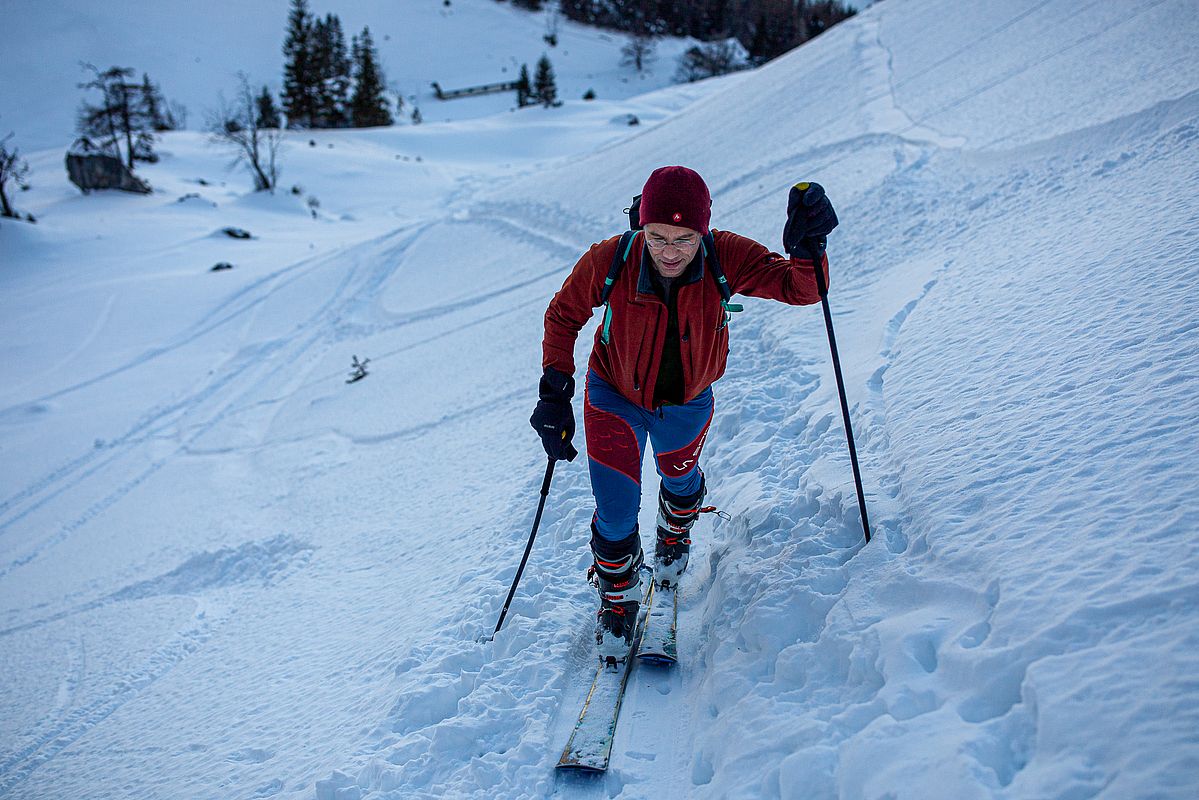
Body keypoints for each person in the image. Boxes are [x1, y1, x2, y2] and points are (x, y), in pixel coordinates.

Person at [530, 165, 838, 660]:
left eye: (684, 238)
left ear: (703, 230)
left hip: (687, 402)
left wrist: (809, 248)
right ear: (641, 228)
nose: (670, 251)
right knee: (614, 512)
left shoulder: (726, 255)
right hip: (613, 395)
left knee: (680, 480)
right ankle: (617, 601)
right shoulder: (612, 258)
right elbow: (563, 313)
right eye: (657, 237)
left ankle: (674, 532)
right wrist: (554, 390)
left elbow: (802, 289)